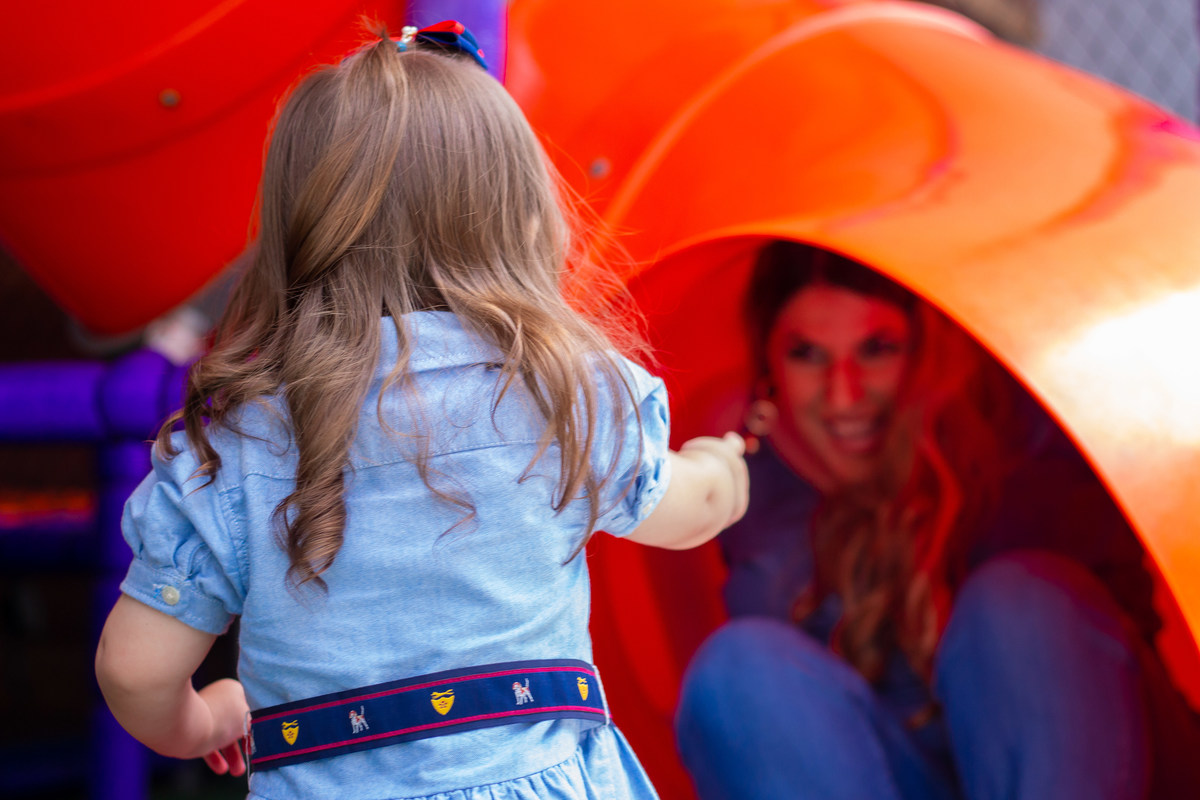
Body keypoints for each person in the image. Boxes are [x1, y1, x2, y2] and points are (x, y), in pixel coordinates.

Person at [93, 23, 748, 800]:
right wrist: (724, 467)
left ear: (293, 232)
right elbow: (687, 510)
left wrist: (200, 722)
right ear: (519, 216)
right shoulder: (559, 391)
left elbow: (133, 669)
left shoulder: (239, 443)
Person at [675, 241, 1200, 799]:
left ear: (929, 348)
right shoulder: (752, 475)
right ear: (769, 362)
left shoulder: (1030, 438)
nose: (844, 394)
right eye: (807, 354)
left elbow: (1086, 684)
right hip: (911, 774)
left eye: (878, 348)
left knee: (1017, 605)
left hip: (1112, 763)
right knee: (739, 672)